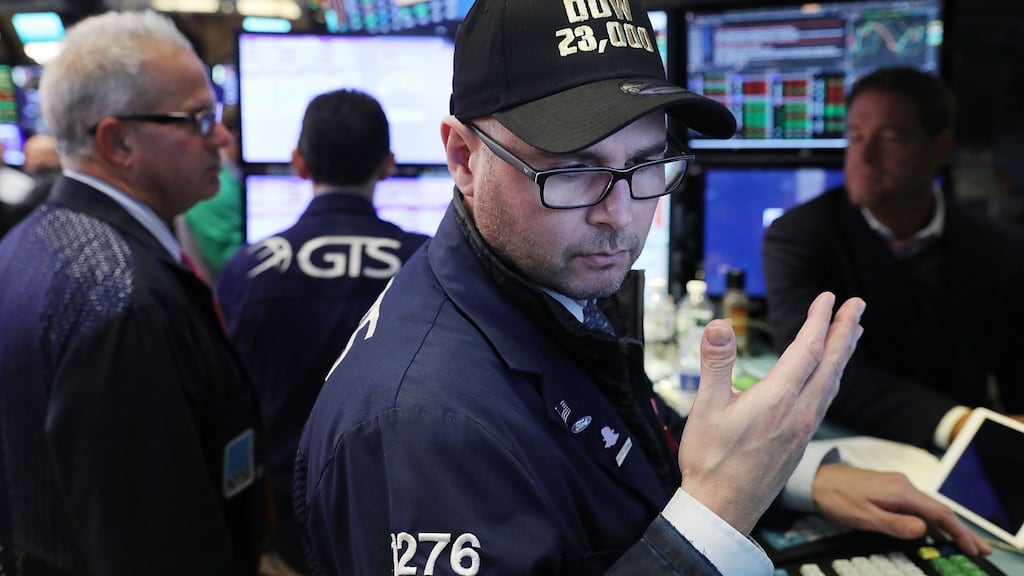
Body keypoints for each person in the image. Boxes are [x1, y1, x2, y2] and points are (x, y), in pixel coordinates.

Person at [295, 2, 988, 574]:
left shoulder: (535, 289)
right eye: (570, 170)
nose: (619, 214)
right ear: (462, 158)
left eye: (648, 162)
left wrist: (796, 477)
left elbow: (626, 439)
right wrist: (717, 512)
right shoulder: (423, 428)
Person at [0, 11, 267, 575]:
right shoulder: (126, 301)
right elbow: (153, 546)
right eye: (198, 119)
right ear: (117, 140)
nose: (220, 137)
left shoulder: (25, 243)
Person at [216, 88, 429, 573]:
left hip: (281, 520)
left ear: (298, 162)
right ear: (389, 164)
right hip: (399, 516)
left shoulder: (247, 271)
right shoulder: (429, 265)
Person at [763, 66, 1024, 450]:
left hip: (963, 454)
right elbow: (819, 369)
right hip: (839, 445)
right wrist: (961, 425)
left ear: (939, 148)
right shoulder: (800, 235)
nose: (863, 156)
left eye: (890, 138)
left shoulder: (1000, 248)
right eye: (855, 137)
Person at [177, 103, 244, 283]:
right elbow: (237, 266)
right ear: (237, 136)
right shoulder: (215, 184)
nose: (221, 137)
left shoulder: (231, 177)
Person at [0, 133, 63, 238]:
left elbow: (19, 214)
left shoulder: (49, 183)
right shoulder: (43, 178)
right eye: (27, 154)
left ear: (53, 157)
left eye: (34, 155)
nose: (27, 160)